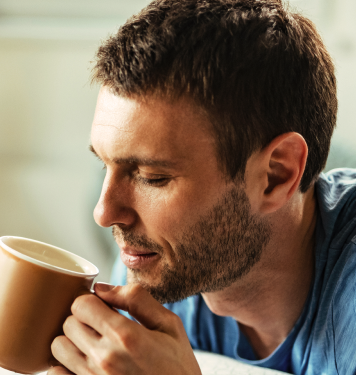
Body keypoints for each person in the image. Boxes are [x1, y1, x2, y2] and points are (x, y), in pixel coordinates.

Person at [49, 0, 356, 374]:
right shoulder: (159, 265)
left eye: (152, 177)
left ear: (276, 175)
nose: (105, 212)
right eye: (105, 164)